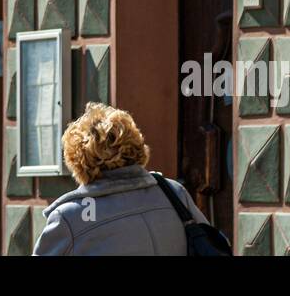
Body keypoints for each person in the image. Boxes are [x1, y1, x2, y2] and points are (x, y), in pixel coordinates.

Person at [32, 102, 210, 256]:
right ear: (136, 145)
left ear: (76, 159)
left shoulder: (69, 217)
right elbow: (210, 242)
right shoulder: (173, 192)